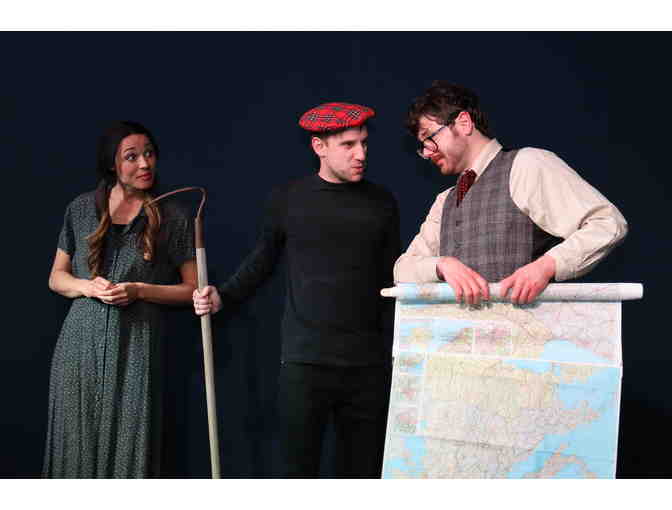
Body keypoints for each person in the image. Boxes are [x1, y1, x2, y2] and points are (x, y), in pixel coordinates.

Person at [193, 102, 400, 478]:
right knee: (295, 475)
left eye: (365, 143)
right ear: (319, 147)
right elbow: (262, 260)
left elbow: (395, 277)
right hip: (306, 363)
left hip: (368, 366)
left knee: (363, 477)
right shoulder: (288, 199)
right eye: (348, 144)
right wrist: (223, 295)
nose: (361, 153)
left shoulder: (382, 202)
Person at [44, 121, 197, 478]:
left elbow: (192, 288)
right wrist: (87, 287)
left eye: (149, 154)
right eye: (132, 156)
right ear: (112, 164)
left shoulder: (173, 216)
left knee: (129, 446)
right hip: (78, 348)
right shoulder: (81, 208)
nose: (144, 163)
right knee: (75, 446)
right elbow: (56, 278)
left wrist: (139, 289)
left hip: (136, 348)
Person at [395, 81, 627, 303]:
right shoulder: (445, 200)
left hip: (527, 329)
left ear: (464, 123)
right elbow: (402, 270)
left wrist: (547, 265)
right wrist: (441, 265)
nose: (427, 152)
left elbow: (606, 222)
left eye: (429, 138)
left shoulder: (526, 164)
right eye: (422, 146)